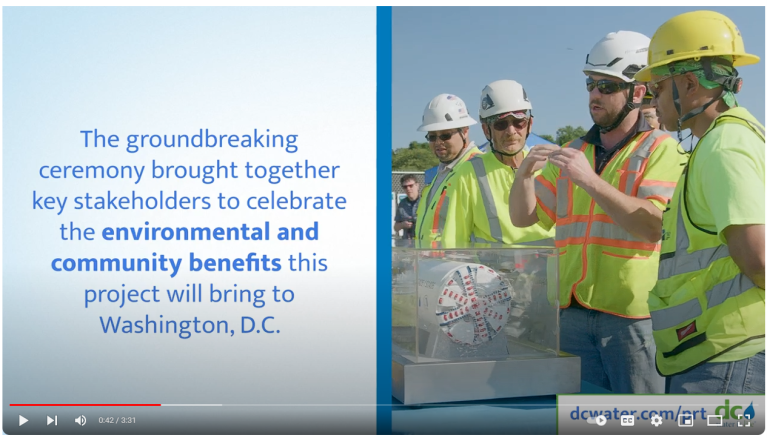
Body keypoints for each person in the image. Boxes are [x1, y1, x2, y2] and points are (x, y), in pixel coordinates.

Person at [509, 31, 687, 393]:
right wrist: (524, 176)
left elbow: (653, 226)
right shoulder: (574, 151)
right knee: (580, 419)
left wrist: (590, 181)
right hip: (570, 312)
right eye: (591, 84)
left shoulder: (661, 149)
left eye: (607, 86)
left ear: (639, 92)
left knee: (640, 420)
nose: (594, 95)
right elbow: (524, 217)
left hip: (632, 318)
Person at [635, 10, 764, 394]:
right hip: (716, 351)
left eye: (657, 88)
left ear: (690, 84)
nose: (653, 101)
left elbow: (758, 259)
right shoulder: (729, 139)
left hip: (727, 357)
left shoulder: (725, 146)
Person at [439, 80, 553, 247]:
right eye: (501, 124)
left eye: (518, 122)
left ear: (529, 124)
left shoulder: (548, 166)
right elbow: (454, 242)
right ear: (486, 130)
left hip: (551, 272)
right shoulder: (468, 172)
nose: (511, 131)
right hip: (496, 272)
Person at [413, 94, 482, 244]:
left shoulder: (478, 169)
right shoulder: (443, 173)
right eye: (432, 137)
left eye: (445, 135)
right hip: (435, 264)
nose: (438, 142)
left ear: (465, 131)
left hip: (462, 264)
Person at [394, 174, 420, 239]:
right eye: (405, 187)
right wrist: (403, 225)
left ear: (417, 185)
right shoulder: (402, 204)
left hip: (423, 243)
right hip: (408, 244)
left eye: (411, 186)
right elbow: (396, 228)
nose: (408, 188)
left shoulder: (426, 202)